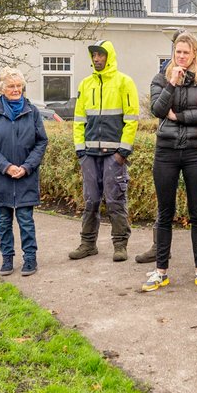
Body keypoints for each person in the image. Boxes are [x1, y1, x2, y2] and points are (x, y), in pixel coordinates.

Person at [135, 30, 197, 268]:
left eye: (186, 52)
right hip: (167, 150)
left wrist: (179, 116)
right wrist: (172, 82)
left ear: (194, 54)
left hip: (196, 149)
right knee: (165, 209)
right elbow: (158, 110)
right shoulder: (161, 78)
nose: (181, 56)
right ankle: (161, 262)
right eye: (178, 52)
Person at [70, 40, 139, 262]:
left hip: (114, 154)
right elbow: (78, 121)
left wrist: (122, 153)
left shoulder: (124, 82)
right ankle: (88, 244)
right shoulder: (85, 84)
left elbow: (132, 120)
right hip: (89, 155)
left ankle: (120, 245)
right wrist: (81, 152)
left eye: (101, 55)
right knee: (90, 201)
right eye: (94, 55)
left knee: (115, 200)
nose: (97, 59)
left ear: (109, 56)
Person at [0, 67, 48, 277]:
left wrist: (26, 167)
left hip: (26, 177)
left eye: (19, 86)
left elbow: (41, 142)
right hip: (1, 178)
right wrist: (6, 166)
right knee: (3, 221)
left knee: (26, 221)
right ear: (2, 89)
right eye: (11, 86)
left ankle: (30, 258)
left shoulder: (32, 112)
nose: (16, 90)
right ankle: (7, 258)